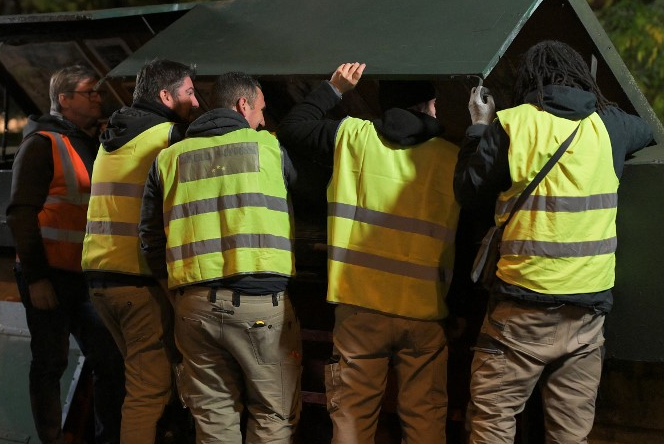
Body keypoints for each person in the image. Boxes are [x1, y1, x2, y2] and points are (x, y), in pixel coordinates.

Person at [454, 40, 654, 443]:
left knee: (492, 424)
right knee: (570, 436)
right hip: (586, 316)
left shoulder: (511, 124)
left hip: (519, 313)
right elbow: (647, 130)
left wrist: (478, 125)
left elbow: (469, 191)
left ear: (528, 80)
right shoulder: (609, 125)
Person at [278, 64, 462, 444]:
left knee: (352, 420)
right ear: (428, 105)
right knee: (425, 423)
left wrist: (334, 88)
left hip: (359, 309)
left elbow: (293, 128)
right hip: (424, 313)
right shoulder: (452, 157)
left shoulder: (352, 136)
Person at [139, 71, 302, 444]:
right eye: (261, 109)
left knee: (213, 421)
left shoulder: (168, 158)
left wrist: (173, 290)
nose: (263, 119)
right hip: (261, 306)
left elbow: (149, 237)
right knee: (273, 414)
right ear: (243, 104)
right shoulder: (269, 148)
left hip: (193, 306)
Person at [81, 58, 199, 444]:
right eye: (189, 92)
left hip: (101, 280)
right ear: (165, 96)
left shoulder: (112, 136)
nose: (195, 103)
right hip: (139, 281)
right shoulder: (168, 137)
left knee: (139, 380)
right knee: (148, 392)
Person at [6, 64, 125, 444]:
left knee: (109, 360)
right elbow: (21, 212)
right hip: (50, 275)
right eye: (89, 92)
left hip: (85, 274)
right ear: (64, 99)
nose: (98, 98)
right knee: (50, 362)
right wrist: (37, 276)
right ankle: (52, 438)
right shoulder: (43, 143)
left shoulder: (92, 142)